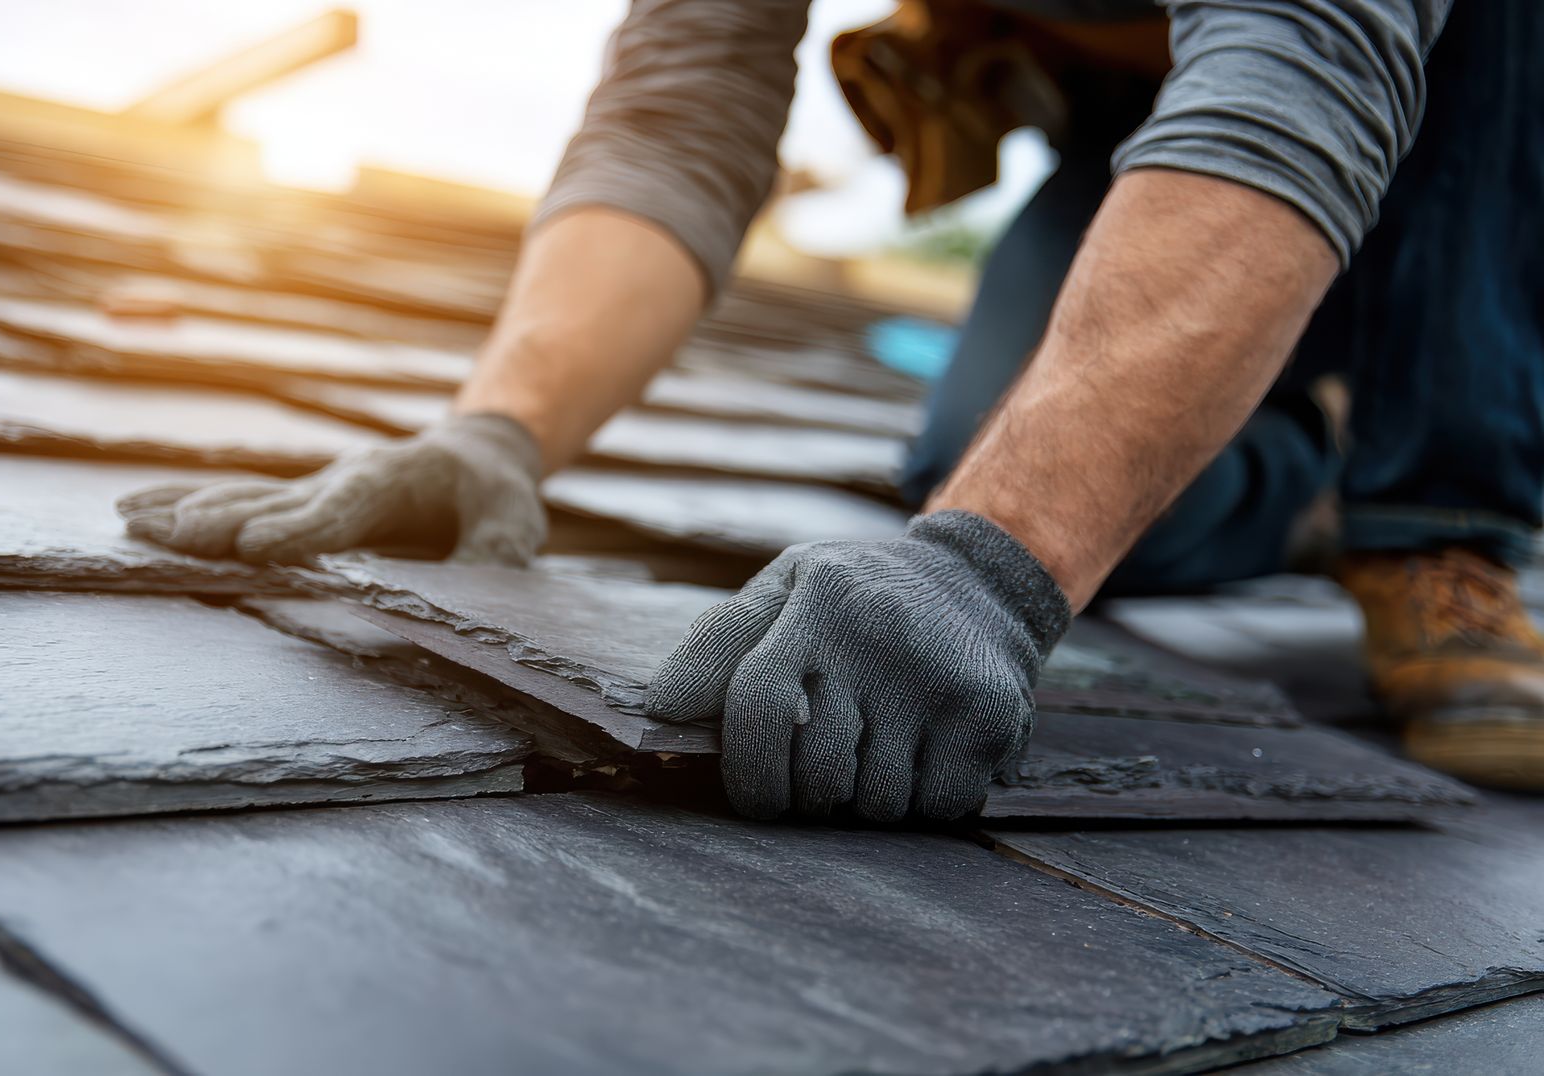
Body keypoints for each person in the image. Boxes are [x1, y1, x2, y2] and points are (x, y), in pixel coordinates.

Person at [121, 0, 1544, 820]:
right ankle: (1315, 472)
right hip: (1156, 90)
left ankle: (1440, 518)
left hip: (1466, 98)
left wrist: (995, 568)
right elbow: (683, 111)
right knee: (1003, 458)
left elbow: (1299, 86)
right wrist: (501, 427)